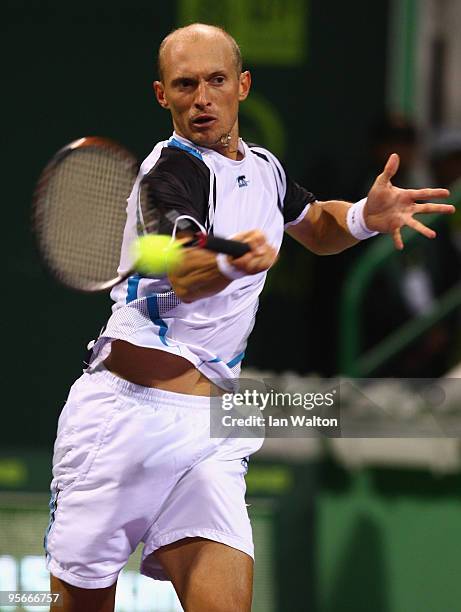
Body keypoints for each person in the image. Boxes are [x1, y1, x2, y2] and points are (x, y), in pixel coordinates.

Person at [45, 23, 454, 612]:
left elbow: (314, 225)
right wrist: (231, 268)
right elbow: (186, 270)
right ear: (163, 95)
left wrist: (366, 214)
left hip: (211, 431)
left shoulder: (263, 167)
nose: (202, 98)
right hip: (122, 426)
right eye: (185, 85)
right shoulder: (171, 174)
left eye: (216, 81)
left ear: (243, 85)